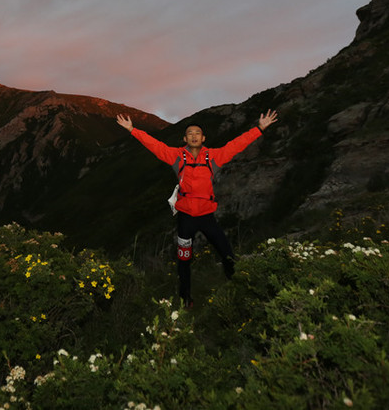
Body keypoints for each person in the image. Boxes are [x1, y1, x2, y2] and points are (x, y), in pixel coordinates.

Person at [116, 109, 278, 307]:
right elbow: (155, 145)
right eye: (190, 133)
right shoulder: (177, 157)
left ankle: (239, 288)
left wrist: (259, 129)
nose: (194, 136)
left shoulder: (213, 157)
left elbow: (236, 145)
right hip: (185, 219)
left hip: (207, 217)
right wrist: (132, 130)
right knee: (184, 260)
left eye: (197, 133)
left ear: (203, 138)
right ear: (184, 139)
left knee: (227, 255)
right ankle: (186, 299)